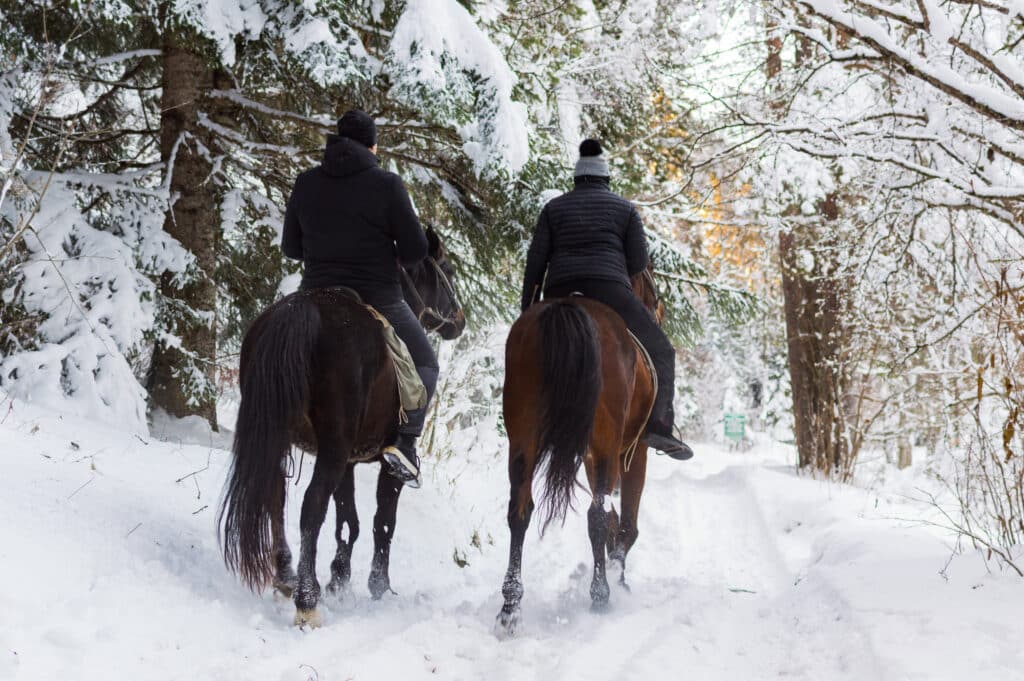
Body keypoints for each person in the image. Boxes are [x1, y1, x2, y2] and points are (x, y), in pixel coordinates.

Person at [281, 109, 434, 487]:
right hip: (378, 296)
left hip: (315, 293)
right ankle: (404, 443)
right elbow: (416, 251)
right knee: (427, 364)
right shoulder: (388, 184)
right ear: (372, 145)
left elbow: (291, 248)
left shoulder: (306, 182)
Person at [520, 139, 692, 460]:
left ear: (577, 177)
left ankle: (530, 418)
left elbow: (535, 264)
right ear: (605, 177)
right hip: (609, 291)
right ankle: (659, 425)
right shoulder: (625, 209)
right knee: (663, 352)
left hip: (559, 292)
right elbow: (638, 263)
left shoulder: (553, 209)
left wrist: (527, 313)